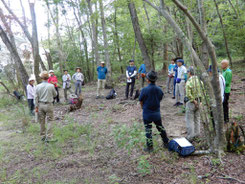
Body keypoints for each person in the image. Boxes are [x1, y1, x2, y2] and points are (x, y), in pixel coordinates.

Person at [139, 71, 169, 153]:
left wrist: (143, 107)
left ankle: (150, 147)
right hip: (156, 113)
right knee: (160, 128)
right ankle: (166, 142)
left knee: (148, 130)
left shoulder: (144, 90)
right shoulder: (159, 89)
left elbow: (140, 100)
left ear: (148, 80)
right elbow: (160, 98)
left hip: (147, 113)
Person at [35, 71, 57, 141]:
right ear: (48, 78)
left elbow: (36, 97)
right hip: (49, 104)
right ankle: (49, 137)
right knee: (50, 120)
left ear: (41, 78)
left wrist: (36, 106)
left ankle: (42, 136)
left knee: (41, 120)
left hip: (40, 105)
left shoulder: (37, 86)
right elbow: (55, 94)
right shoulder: (51, 86)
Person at [185, 67, 203, 141]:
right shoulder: (200, 81)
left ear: (189, 73)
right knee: (197, 118)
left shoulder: (189, 82)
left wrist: (193, 100)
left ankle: (190, 136)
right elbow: (203, 91)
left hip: (191, 102)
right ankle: (197, 134)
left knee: (190, 119)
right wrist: (201, 101)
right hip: (199, 101)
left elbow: (188, 93)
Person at [221, 59, 232, 123]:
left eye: (222, 64)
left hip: (226, 90)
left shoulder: (228, 72)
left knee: (225, 104)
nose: (221, 65)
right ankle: (224, 117)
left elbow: (227, 82)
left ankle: (226, 119)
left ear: (226, 65)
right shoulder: (223, 71)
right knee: (222, 104)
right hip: (222, 90)